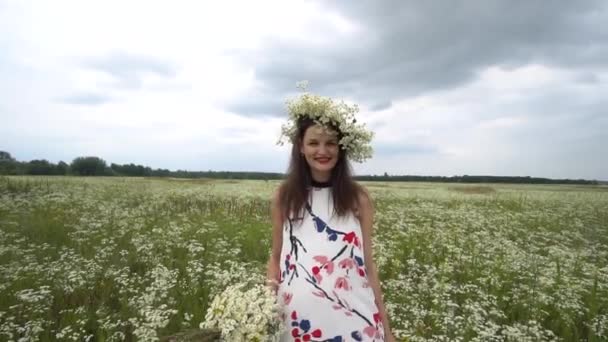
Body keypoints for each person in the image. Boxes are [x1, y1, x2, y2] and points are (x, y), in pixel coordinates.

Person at [266, 90, 395, 341]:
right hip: (297, 324)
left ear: (341, 147)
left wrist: (388, 334)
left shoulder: (359, 198)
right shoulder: (285, 196)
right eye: (314, 143)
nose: (322, 150)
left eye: (331, 143)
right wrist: (266, 305)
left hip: (355, 323)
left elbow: (368, 267)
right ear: (301, 148)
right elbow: (275, 257)